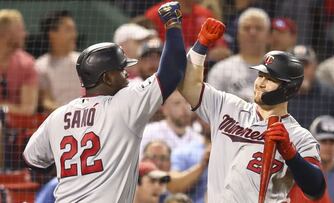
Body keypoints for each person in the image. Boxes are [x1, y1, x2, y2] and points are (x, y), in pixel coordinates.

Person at [23, 2, 186, 202]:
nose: (127, 74)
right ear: (107, 78)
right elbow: (173, 70)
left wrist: (76, 171)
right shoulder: (125, 103)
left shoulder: (58, 115)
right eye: (121, 70)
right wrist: (172, 22)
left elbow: (32, 161)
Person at [178, 18, 326, 202]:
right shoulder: (228, 106)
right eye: (260, 75)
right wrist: (201, 45)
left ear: (289, 88)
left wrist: (291, 154)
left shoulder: (298, 136)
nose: (261, 83)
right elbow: (188, 86)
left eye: (270, 79)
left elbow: (316, 189)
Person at [207, 8, 270, 102]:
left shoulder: (279, 71)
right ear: (238, 35)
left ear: (269, 36)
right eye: (246, 28)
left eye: (258, 28)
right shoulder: (221, 69)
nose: (252, 33)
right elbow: (211, 107)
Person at [288, 45, 334, 129]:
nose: (301, 70)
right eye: (296, 66)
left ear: (315, 66)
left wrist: (333, 129)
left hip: (318, 141)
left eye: (305, 65)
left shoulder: (327, 93)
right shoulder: (281, 92)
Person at [36, 10, 81, 112]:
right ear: (52, 34)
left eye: (74, 30)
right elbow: (46, 101)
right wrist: (69, 113)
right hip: (58, 121)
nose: (74, 35)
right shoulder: (40, 66)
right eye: (68, 29)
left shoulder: (84, 61)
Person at [0, 9, 38, 115]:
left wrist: (2, 109)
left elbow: (28, 109)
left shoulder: (27, 63)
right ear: (7, 34)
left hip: (16, 129)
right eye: (21, 29)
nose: (25, 34)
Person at [140, 91, 203, 155]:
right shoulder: (149, 132)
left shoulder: (199, 139)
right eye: (177, 103)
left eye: (187, 102)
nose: (184, 108)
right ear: (164, 109)